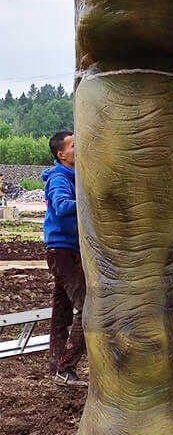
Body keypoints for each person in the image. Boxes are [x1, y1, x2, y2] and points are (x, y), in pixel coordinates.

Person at [42, 130, 87, 387]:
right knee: (87, 307)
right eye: (73, 145)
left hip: (64, 250)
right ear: (62, 155)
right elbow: (61, 206)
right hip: (64, 251)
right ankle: (66, 369)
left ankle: (56, 368)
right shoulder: (60, 177)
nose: (78, 147)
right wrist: (89, 200)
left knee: (61, 312)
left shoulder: (72, 175)